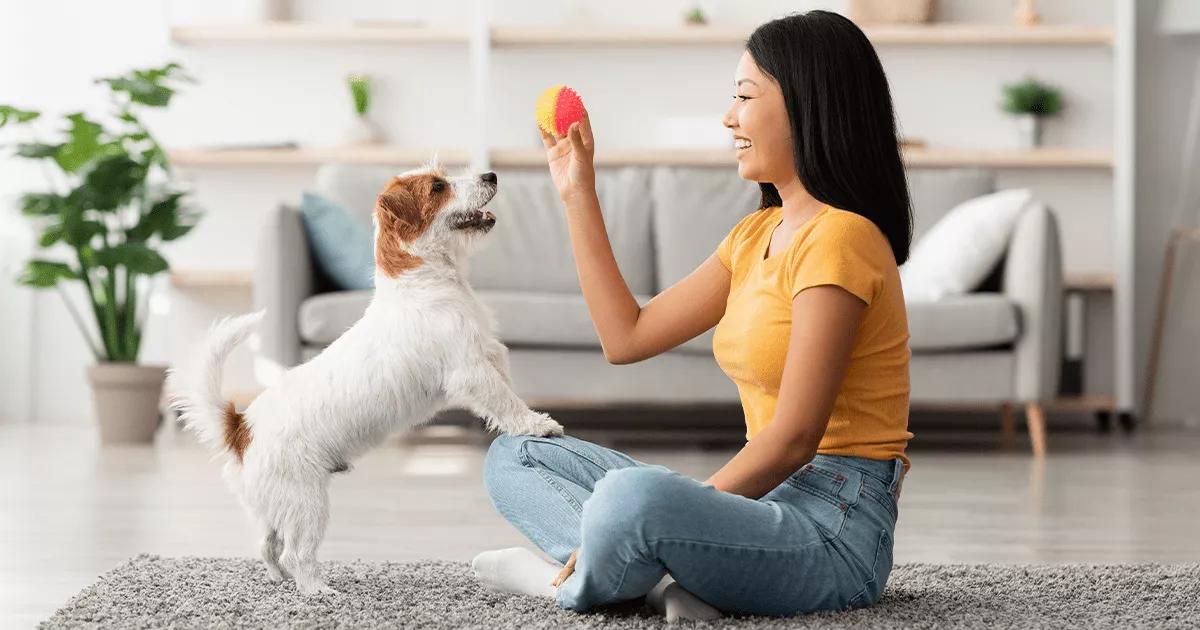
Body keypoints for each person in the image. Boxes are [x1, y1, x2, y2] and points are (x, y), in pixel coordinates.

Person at [471, 10, 913, 621]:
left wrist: (666, 511)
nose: (729, 117)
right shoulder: (757, 233)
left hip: (834, 531)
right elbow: (625, 337)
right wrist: (577, 192)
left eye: (744, 96)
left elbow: (793, 440)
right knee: (517, 455)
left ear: (808, 106)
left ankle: (563, 583)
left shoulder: (842, 239)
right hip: (766, 505)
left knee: (633, 500)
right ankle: (666, 585)